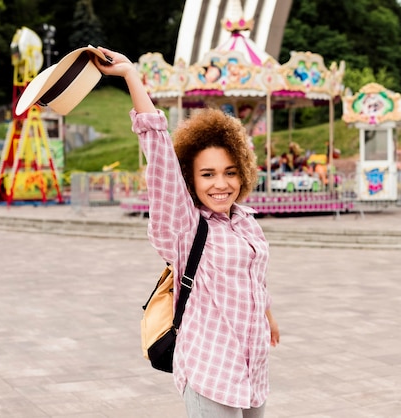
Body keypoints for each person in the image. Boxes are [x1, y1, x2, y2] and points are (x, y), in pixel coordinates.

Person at [95, 47, 280, 417]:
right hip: (210, 367)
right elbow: (159, 154)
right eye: (207, 174)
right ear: (190, 179)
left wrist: (269, 318)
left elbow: (254, 280)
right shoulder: (185, 226)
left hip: (253, 368)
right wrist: (131, 75)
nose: (221, 184)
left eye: (229, 172)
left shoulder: (246, 221)